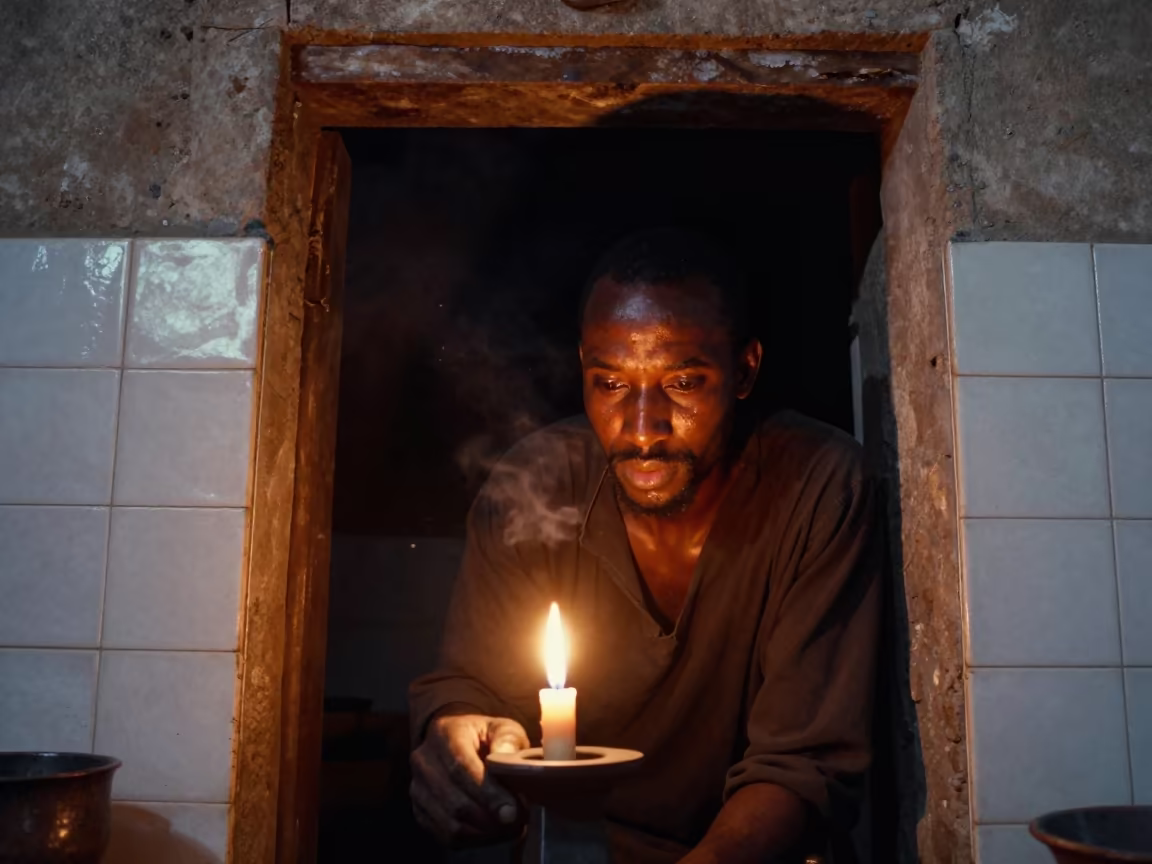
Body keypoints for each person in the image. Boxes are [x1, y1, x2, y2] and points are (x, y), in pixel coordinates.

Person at [408, 229, 881, 864]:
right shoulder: (535, 483)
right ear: (583, 369)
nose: (641, 431)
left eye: (682, 383)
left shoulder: (819, 488)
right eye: (611, 384)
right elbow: (470, 687)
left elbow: (802, 766)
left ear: (744, 370)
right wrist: (458, 733)